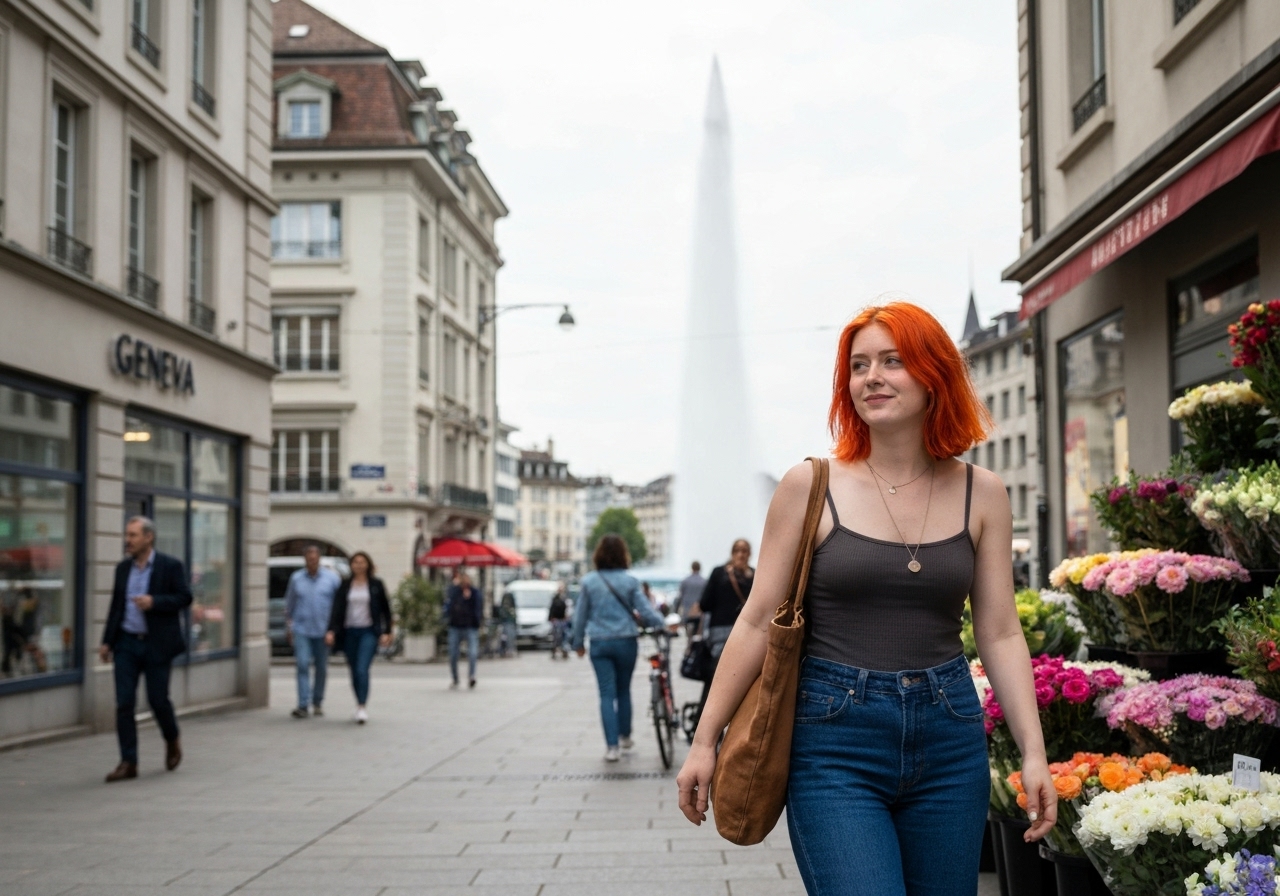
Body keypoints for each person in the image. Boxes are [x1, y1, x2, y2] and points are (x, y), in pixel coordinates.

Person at [676, 302, 1056, 896]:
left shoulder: (983, 493)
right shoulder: (810, 485)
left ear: (935, 377)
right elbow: (754, 622)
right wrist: (706, 741)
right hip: (834, 740)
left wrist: (1034, 752)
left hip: (950, 734)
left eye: (892, 361)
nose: (870, 377)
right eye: (858, 365)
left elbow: (1001, 631)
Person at [99, 516, 192, 782]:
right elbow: (116, 607)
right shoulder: (122, 569)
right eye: (127, 535)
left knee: (157, 700)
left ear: (148, 537)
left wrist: (155, 601)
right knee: (124, 703)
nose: (127, 541)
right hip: (126, 643)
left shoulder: (170, 566)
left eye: (133, 535)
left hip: (156, 644)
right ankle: (128, 762)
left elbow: (185, 597)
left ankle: (172, 738)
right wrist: (107, 641)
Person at [571, 535, 667, 762]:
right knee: (623, 690)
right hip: (626, 641)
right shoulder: (630, 581)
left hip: (599, 642)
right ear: (623, 554)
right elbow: (646, 611)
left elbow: (580, 616)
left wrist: (577, 643)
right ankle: (625, 736)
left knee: (606, 693)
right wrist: (662, 625)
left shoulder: (589, 582)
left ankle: (611, 747)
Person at [325, 551, 392, 724]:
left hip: (368, 631)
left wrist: (387, 631)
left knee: (362, 669)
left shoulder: (376, 584)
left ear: (368, 564)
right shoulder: (345, 585)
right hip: (349, 632)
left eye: (362, 562)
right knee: (354, 670)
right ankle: (358, 702)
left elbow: (386, 610)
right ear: (351, 565)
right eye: (355, 562)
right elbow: (337, 609)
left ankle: (362, 706)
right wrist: (331, 630)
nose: (359, 565)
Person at [694, 540, 754, 717]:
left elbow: (705, 604)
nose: (741, 555)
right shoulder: (755, 577)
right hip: (745, 634)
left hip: (720, 632)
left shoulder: (719, 573)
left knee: (716, 679)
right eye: (739, 551)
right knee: (742, 679)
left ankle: (704, 721)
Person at [283, 545, 341, 718]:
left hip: (323, 631)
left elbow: (338, 606)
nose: (312, 561)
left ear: (319, 559)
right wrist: (289, 627)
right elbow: (289, 605)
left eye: (315, 558)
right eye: (309, 558)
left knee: (321, 668)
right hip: (302, 629)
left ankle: (317, 701)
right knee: (302, 664)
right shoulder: (296, 579)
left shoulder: (331, 579)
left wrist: (334, 629)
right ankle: (302, 704)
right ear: (305, 560)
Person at [445, 572, 483, 688]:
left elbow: (478, 608)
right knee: (453, 654)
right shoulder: (454, 591)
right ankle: (455, 678)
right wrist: (460, 596)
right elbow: (449, 605)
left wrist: (469, 598)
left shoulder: (475, 593)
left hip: (470, 626)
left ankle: (471, 676)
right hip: (455, 626)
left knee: (472, 653)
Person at [676, 561, 706, 640]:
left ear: (691, 568)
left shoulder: (685, 581)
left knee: (688, 635)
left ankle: (689, 646)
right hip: (699, 612)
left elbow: (680, 597)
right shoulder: (704, 581)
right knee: (698, 635)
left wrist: (676, 610)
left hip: (687, 611)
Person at [548, 585, 569, 660]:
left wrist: (566, 617)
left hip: (562, 619)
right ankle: (555, 650)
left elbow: (566, 609)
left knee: (563, 636)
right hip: (557, 619)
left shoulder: (564, 598)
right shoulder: (555, 599)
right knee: (557, 636)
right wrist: (551, 618)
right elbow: (552, 608)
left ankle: (564, 651)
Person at [498, 588, 517, 657]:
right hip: (506, 622)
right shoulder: (506, 609)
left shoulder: (510, 609)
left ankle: (508, 649)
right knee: (506, 637)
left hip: (508, 622)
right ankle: (505, 650)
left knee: (509, 637)